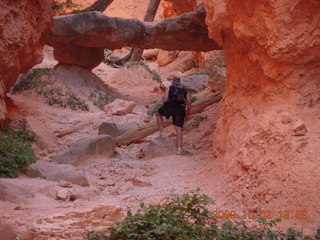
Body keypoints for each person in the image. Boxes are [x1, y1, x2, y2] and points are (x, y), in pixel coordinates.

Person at [156, 76, 191, 155]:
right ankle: (180, 149)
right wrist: (187, 113)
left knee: (158, 114)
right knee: (179, 129)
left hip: (170, 106)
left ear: (172, 82)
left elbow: (165, 100)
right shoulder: (185, 90)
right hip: (181, 109)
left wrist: (163, 97)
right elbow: (189, 102)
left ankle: (162, 133)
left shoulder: (169, 88)